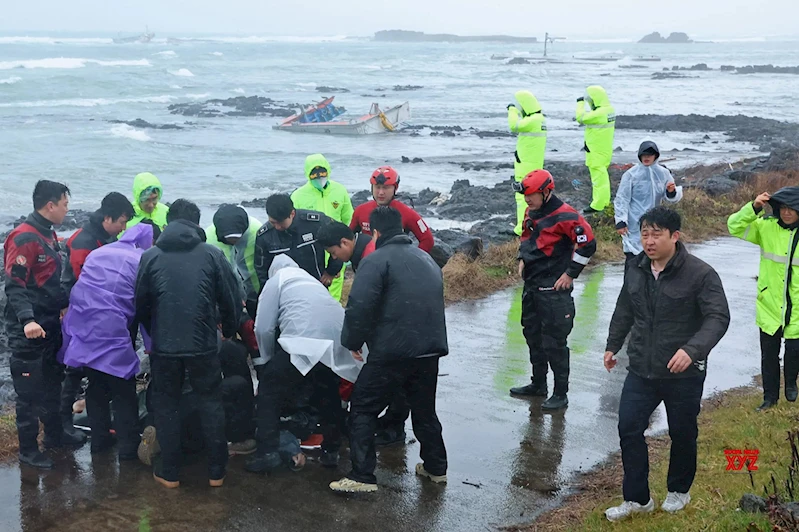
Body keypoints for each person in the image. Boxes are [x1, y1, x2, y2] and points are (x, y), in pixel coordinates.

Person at [604, 207, 730, 521]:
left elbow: (718, 318)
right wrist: (611, 345)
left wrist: (693, 350)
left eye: (656, 234)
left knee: (683, 431)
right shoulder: (635, 268)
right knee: (629, 428)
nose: (649, 240)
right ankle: (637, 499)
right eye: (644, 233)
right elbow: (624, 310)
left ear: (674, 236)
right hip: (641, 369)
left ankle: (678, 490)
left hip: (683, 372)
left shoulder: (700, 274)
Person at [330, 206, 448, 493]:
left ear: (376, 232)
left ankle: (362, 476)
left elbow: (359, 307)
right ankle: (436, 468)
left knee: (362, 408)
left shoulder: (375, 261)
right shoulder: (426, 258)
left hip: (393, 351)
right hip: (430, 350)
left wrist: (351, 341)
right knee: (424, 410)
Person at [135, 199, 241, 488]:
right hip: (203, 344)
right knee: (210, 402)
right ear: (197, 224)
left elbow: (140, 304)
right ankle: (216, 472)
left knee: (166, 404)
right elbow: (230, 298)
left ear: (168, 222)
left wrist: (151, 332)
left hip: (165, 346)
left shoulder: (151, 256)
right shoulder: (212, 254)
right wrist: (229, 331)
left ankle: (169, 473)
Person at [245, 255, 357, 473]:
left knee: (270, 391)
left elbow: (263, 328)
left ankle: (268, 453)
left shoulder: (276, 280)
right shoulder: (311, 281)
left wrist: (267, 363)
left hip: (303, 340)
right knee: (328, 394)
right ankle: (331, 450)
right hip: (334, 343)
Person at [60, 223, 157, 459]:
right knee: (123, 388)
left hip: (85, 324)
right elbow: (145, 309)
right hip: (113, 329)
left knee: (95, 385)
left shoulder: (100, 252)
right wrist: (151, 345)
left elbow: (81, 285)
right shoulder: (143, 259)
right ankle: (127, 450)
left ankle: (99, 444)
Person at [4, 180, 84, 469]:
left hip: (51, 324)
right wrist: (27, 320)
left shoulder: (49, 235)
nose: (67, 210)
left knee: (53, 383)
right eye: (64, 204)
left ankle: (54, 435)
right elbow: (14, 285)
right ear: (50, 205)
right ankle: (27, 449)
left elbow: (51, 280)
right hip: (29, 329)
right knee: (29, 394)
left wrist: (64, 306)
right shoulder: (23, 237)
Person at [509, 170, 596, 410]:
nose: (527, 200)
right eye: (525, 195)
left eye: (532, 195)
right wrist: (522, 259)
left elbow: (588, 244)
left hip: (554, 291)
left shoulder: (567, 215)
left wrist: (570, 274)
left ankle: (560, 393)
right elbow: (527, 237)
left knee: (554, 342)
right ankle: (538, 385)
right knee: (532, 336)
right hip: (532, 287)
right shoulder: (531, 211)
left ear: (547, 192)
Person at [59, 191, 135, 444]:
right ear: (107, 217)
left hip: (100, 316)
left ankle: (99, 427)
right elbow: (86, 284)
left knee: (95, 374)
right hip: (80, 313)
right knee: (74, 369)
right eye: (121, 222)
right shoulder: (84, 241)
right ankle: (64, 423)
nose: (123, 228)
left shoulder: (107, 239)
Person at [728, 187, 799, 410]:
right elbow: (734, 226)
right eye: (783, 208)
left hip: (796, 306)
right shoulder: (766, 227)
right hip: (769, 303)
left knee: (794, 350)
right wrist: (755, 207)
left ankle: (790, 385)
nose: (787, 213)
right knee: (769, 354)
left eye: (792, 209)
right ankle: (770, 398)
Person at [291, 154, 354, 301]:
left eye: (322, 172)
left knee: (335, 293)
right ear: (308, 174)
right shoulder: (298, 196)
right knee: (312, 293)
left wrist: (345, 256)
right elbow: (293, 229)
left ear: (328, 170)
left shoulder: (340, 190)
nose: (319, 176)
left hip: (337, 251)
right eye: (314, 173)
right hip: (311, 253)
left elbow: (349, 221)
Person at [614, 141, 683, 270]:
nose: (646, 157)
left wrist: (671, 192)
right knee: (633, 260)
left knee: (654, 256)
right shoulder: (630, 175)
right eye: (644, 155)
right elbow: (622, 199)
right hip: (634, 224)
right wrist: (621, 221)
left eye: (650, 155)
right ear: (639, 156)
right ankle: (631, 289)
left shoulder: (663, 173)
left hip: (656, 222)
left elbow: (671, 197)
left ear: (656, 156)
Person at [254, 194, 344, 290]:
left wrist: (331, 271)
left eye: (281, 223)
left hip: (316, 285)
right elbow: (261, 270)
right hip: (285, 290)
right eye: (273, 222)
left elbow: (339, 240)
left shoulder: (316, 223)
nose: (277, 227)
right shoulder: (264, 236)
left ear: (292, 214)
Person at [349, 166, 434, 253]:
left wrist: (411, 259)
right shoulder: (360, 211)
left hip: (395, 262)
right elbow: (348, 239)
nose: (381, 192)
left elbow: (427, 240)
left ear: (395, 188)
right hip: (367, 262)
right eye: (377, 187)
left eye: (385, 187)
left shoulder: (407, 213)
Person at [206, 204, 263, 316]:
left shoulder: (257, 231)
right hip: (226, 292)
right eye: (230, 239)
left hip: (256, 288)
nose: (233, 241)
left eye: (236, 238)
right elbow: (218, 276)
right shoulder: (209, 239)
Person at [507, 90, 547, 236]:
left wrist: (512, 109)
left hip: (525, 165)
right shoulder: (539, 119)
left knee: (523, 196)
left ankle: (521, 228)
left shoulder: (532, 121)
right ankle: (528, 225)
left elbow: (514, 126)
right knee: (534, 196)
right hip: (532, 163)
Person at [575, 85, 616, 214]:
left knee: (598, 180)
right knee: (602, 178)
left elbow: (580, 118)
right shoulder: (609, 110)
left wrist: (580, 103)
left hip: (596, 151)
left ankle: (598, 205)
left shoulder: (599, 113)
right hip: (604, 150)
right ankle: (604, 202)